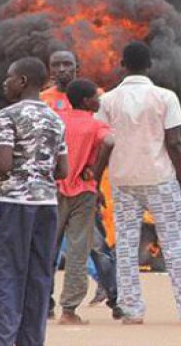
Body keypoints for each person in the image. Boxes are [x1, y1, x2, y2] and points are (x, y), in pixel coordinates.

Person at [96, 41, 181, 325]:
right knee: (175, 243)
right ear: (150, 65)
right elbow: (175, 143)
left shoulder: (108, 100)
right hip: (159, 179)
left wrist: (94, 178)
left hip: (122, 180)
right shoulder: (165, 97)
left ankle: (132, 311)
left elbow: (104, 142)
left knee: (125, 245)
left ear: (122, 65)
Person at [0, 57, 69, 346]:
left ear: (22, 81)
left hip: (14, 205)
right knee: (38, 278)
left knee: (5, 276)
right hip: (47, 208)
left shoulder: (8, 114)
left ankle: (1, 341)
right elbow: (63, 170)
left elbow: (2, 162)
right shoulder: (56, 119)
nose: (5, 82)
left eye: (9, 78)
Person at [50, 78, 117, 324]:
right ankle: (68, 310)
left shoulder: (57, 120)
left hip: (54, 189)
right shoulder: (94, 125)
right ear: (87, 100)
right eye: (96, 97)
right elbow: (110, 141)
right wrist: (96, 173)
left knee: (46, 248)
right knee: (78, 249)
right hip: (83, 192)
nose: (99, 100)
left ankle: (41, 305)